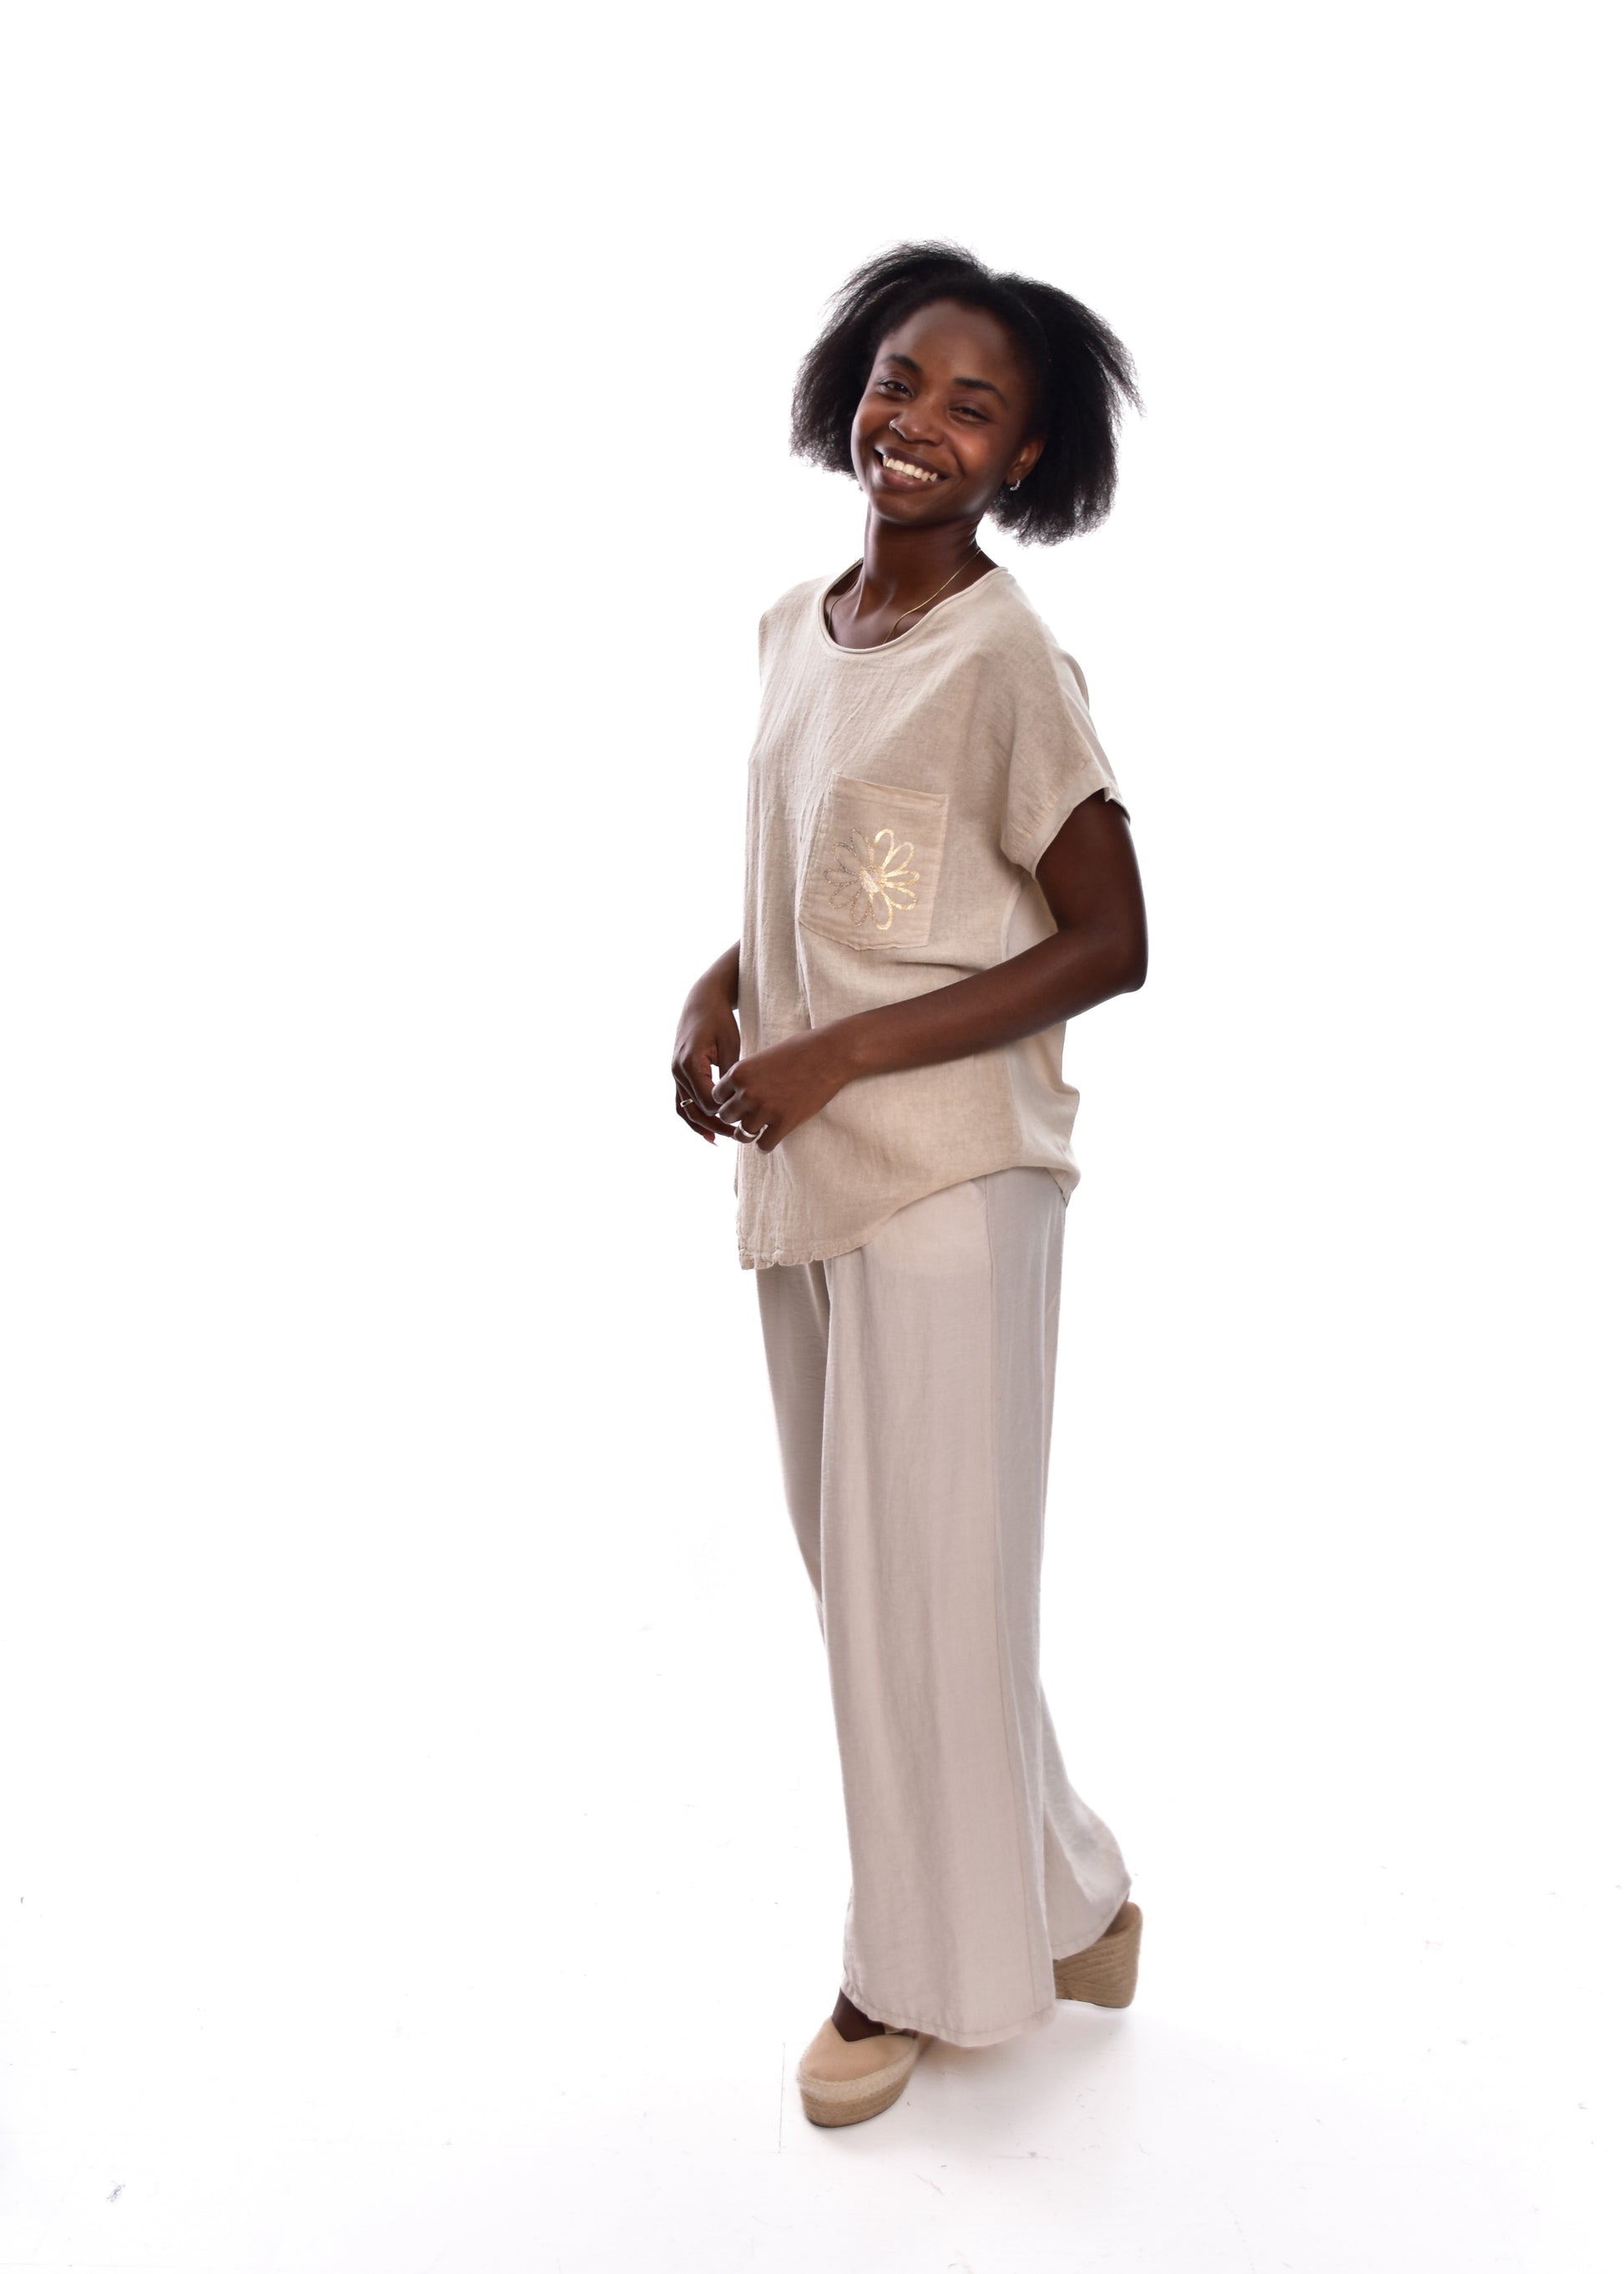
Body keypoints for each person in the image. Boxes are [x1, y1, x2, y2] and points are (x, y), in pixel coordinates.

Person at [671, 241, 1150, 2130]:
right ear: (845, 390)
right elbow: (836, 866)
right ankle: (1074, 1899)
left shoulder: (1006, 657)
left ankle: (906, 1974)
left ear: (1024, 459)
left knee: (914, 1595)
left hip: (949, 1185)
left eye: (972, 406)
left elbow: (1112, 938)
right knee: (885, 1583)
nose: (919, 423)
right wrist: (724, 984)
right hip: (807, 1173)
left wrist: (848, 1048)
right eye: (898, 378)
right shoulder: (794, 628)